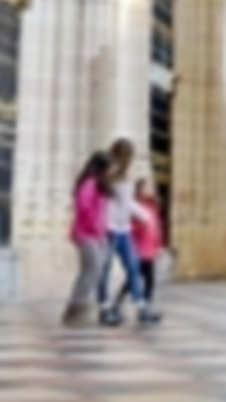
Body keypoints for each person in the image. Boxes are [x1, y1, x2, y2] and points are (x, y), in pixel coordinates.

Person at [97, 138, 161, 326]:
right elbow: (122, 204)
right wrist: (144, 216)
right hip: (109, 228)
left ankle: (141, 306)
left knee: (133, 267)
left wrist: (144, 216)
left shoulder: (124, 178)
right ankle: (105, 307)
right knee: (105, 269)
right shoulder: (106, 177)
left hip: (123, 229)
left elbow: (127, 203)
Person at [62, 151, 110, 326]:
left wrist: (101, 232)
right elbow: (85, 209)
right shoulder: (90, 184)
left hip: (95, 234)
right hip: (86, 234)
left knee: (92, 270)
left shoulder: (97, 184)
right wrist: (96, 230)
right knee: (92, 269)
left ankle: (77, 307)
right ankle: (76, 308)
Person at [114, 178, 163, 310]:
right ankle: (118, 303)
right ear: (139, 190)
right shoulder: (136, 206)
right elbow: (131, 227)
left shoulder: (153, 207)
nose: (151, 190)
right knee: (132, 279)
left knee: (149, 280)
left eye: (152, 187)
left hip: (150, 250)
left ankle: (146, 304)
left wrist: (158, 246)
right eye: (147, 187)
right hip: (139, 249)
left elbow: (157, 228)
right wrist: (140, 226)